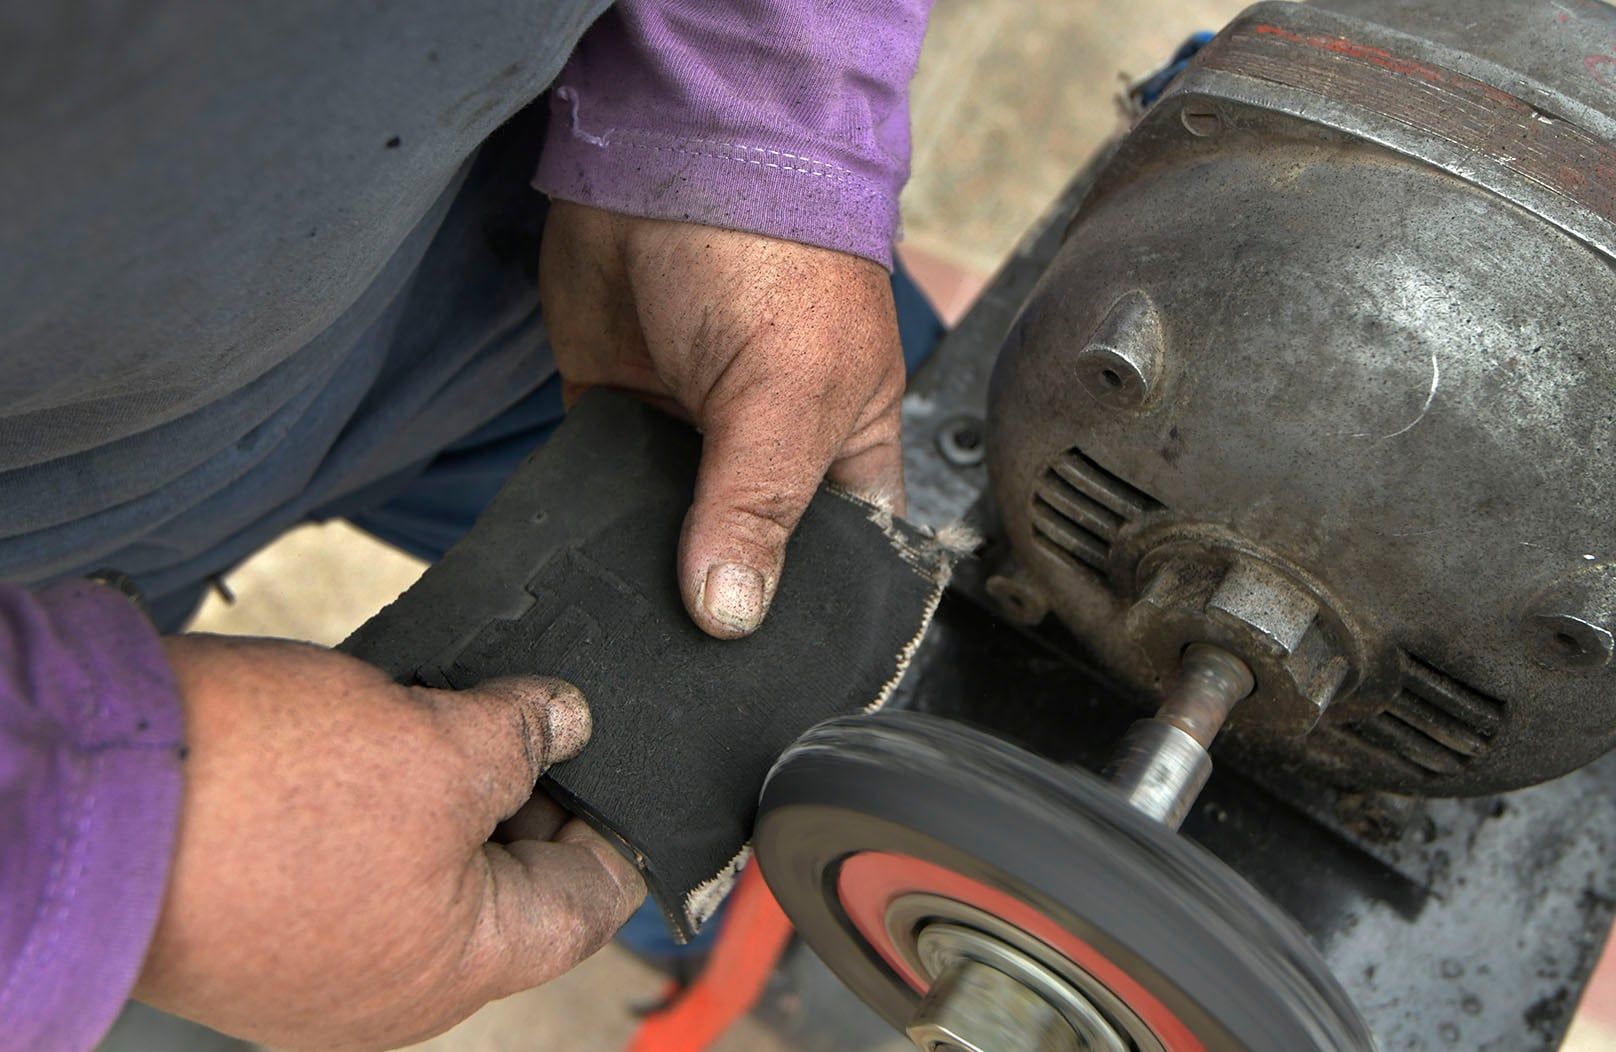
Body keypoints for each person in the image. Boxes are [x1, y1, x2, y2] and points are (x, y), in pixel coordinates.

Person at [0, 2, 934, 1049]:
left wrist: (756, 118)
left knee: (863, 550)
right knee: (450, 847)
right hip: (42, 522)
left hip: (513, 240)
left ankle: (820, 903)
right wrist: (78, 833)